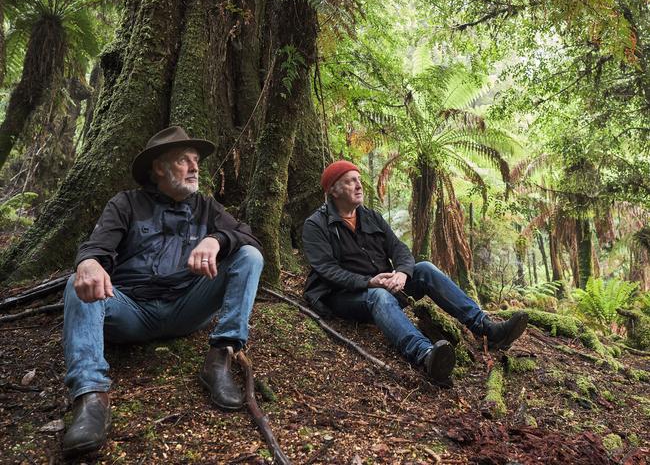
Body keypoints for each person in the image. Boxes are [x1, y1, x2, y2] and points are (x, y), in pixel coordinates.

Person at [61, 126, 264, 457]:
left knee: (249, 255)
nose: (195, 167)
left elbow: (250, 238)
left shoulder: (207, 207)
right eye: (184, 160)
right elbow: (97, 247)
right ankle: (90, 398)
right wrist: (89, 263)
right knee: (76, 284)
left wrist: (217, 239)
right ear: (159, 168)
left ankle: (220, 358)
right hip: (131, 312)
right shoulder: (125, 204)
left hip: (188, 308)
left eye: (196, 160)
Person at [302, 160, 528, 385]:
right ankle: (426, 356)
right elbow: (327, 270)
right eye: (350, 182)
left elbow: (399, 249)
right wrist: (370, 282)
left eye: (359, 180)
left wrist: (402, 273)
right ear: (333, 190)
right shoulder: (316, 225)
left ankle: (487, 329)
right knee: (378, 295)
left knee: (424, 269)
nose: (359, 186)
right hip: (345, 297)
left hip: (386, 288)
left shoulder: (370, 216)